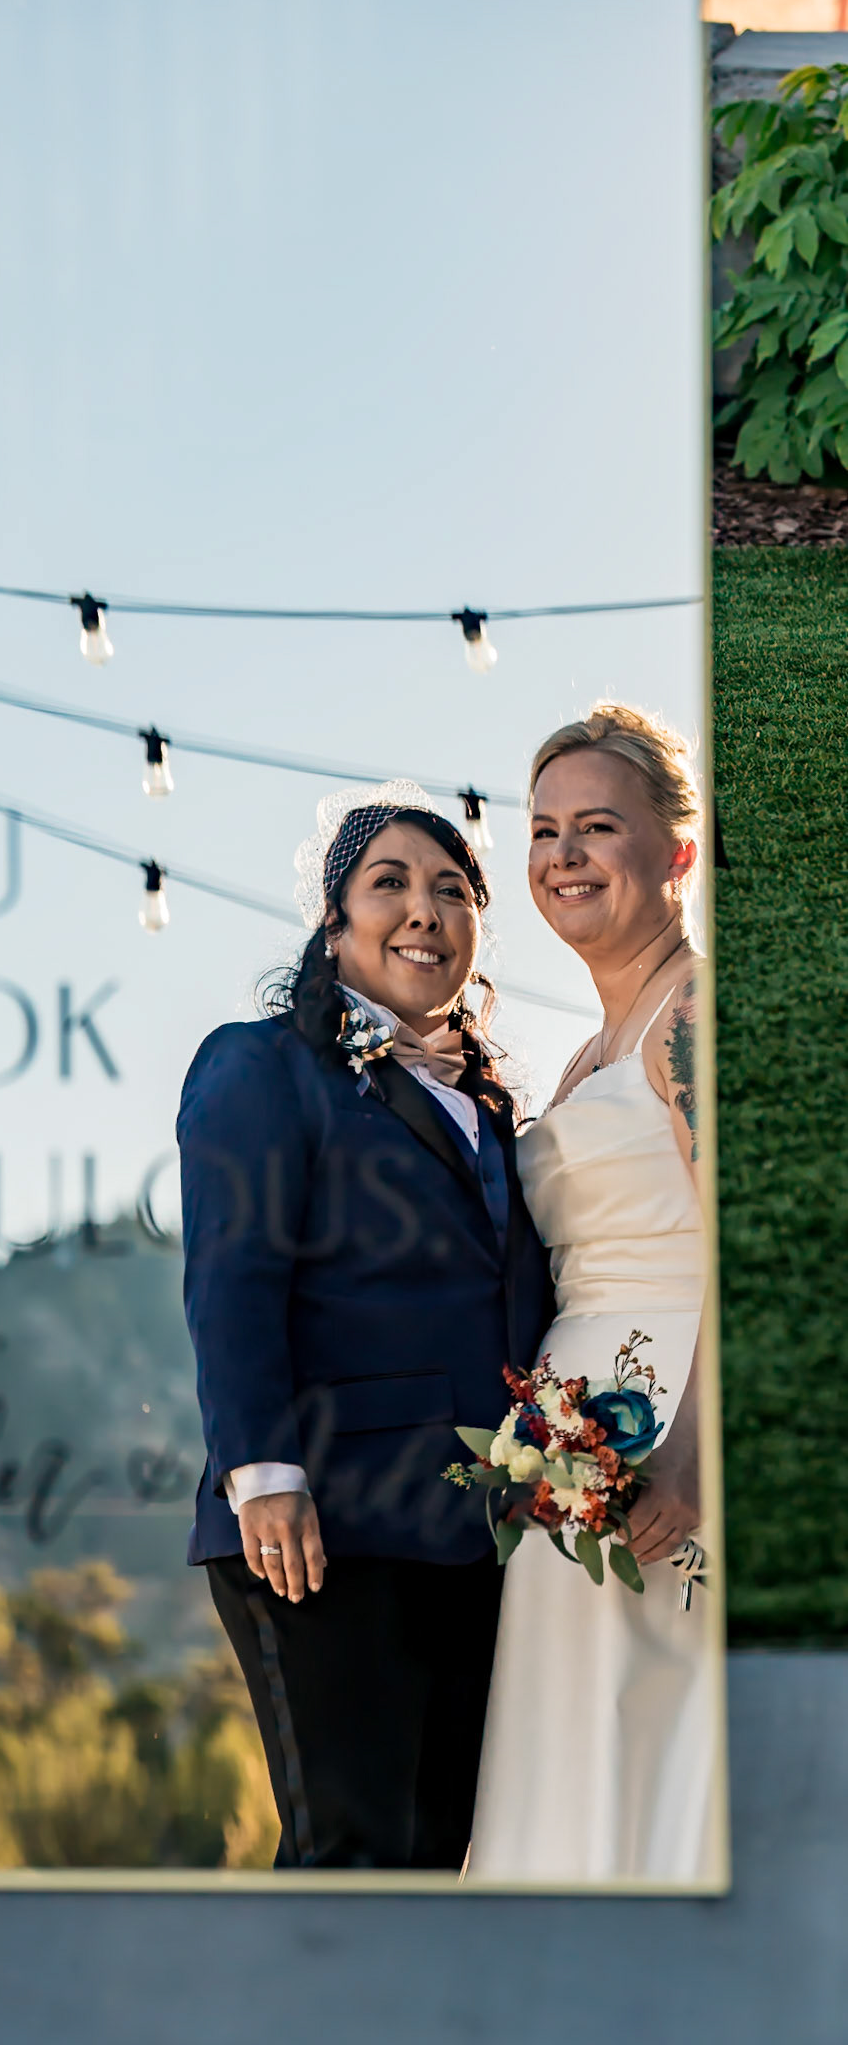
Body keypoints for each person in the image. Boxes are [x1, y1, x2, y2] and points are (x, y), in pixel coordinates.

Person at [177, 780, 553, 1870]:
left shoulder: (490, 1107)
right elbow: (233, 1274)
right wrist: (264, 1471)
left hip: (473, 1532)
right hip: (320, 1522)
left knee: (442, 1851)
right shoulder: (261, 1064)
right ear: (334, 925)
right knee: (352, 1848)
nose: (423, 909)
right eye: (388, 883)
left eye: (451, 888)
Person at [471, 702, 718, 1883]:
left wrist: (693, 1449)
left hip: (669, 1425)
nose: (563, 854)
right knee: (572, 1751)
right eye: (544, 829)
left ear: (676, 850)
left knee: (663, 1749)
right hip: (562, 1459)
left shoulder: (694, 1018)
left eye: (598, 826)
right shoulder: (582, 1053)